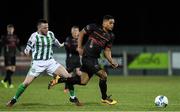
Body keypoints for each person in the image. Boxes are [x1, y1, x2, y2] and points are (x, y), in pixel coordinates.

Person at [48, 15, 119, 105]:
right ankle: (104, 98)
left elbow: (107, 50)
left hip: (94, 59)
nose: (112, 25)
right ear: (104, 23)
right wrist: (79, 46)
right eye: (110, 23)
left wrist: (111, 61)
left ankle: (59, 79)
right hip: (87, 57)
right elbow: (81, 33)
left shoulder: (111, 36)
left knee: (83, 81)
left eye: (113, 23)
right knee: (103, 75)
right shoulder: (94, 27)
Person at [6, 19, 71, 107]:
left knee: (68, 76)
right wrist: (27, 51)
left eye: (47, 27)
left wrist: (61, 44)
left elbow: (56, 42)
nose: (47, 29)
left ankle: (73, 97)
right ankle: (13, 100)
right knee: (26, 83)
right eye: (44, 28)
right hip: (37, 63)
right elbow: (27, 48)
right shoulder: (34, 36)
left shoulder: (50, 34)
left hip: (50, 61)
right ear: (39, 28)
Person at [0, 24, 23, 88]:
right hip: (7, 55)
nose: (10, 30)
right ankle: (10, 84)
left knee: (13, 69)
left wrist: (20, 51)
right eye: (9, 29)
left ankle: (4, 81)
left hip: (13, 55)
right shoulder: (4, 37)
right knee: (8, 69)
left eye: (11, 29)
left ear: (13, 29)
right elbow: (1, 46)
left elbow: (18, 45)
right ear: (7, 29)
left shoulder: (15, 37)